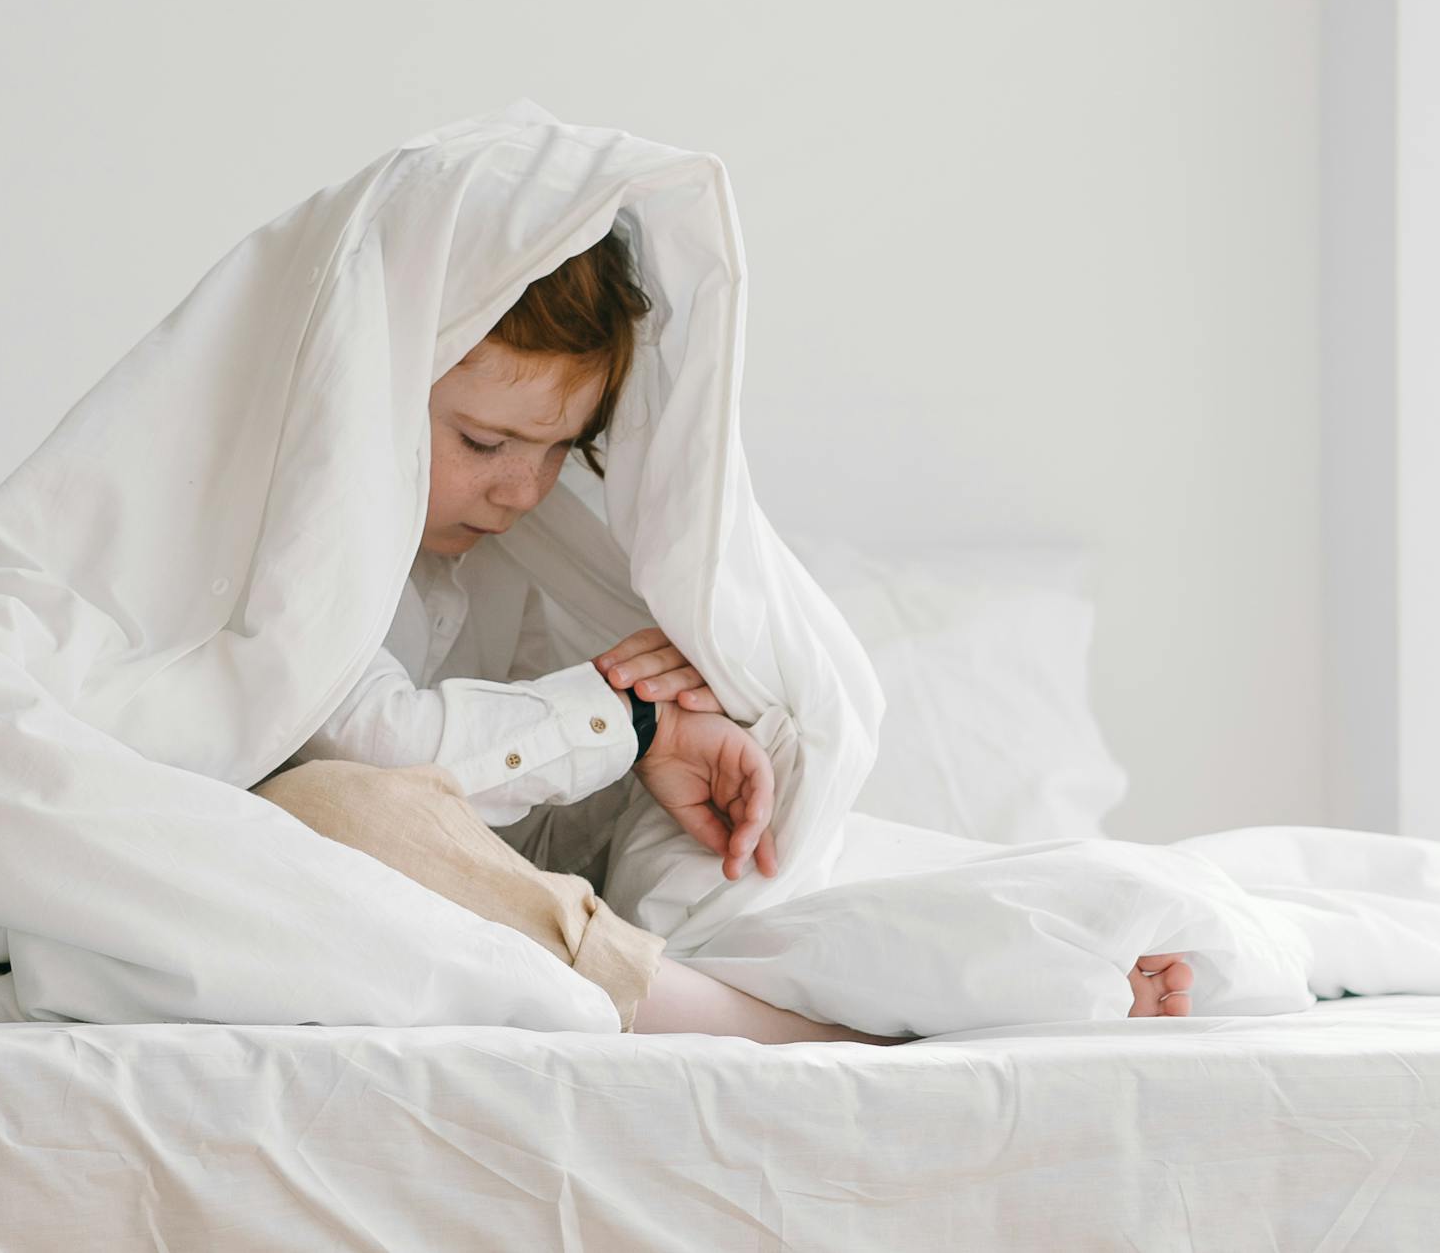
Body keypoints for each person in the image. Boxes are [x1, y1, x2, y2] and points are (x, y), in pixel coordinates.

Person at [252, 228, 1195, 1042]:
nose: (524, 492)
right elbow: (367, 746)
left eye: (560, 452)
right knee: (333, 809)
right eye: (488, 444)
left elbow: (512, 837)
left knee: (775, 845)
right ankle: (775, 1026)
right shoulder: (275, 536)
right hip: (290, 886)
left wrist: (657, 747)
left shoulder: (509, 563)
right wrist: (627, 717)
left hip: (487, 923)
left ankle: (970, 954)